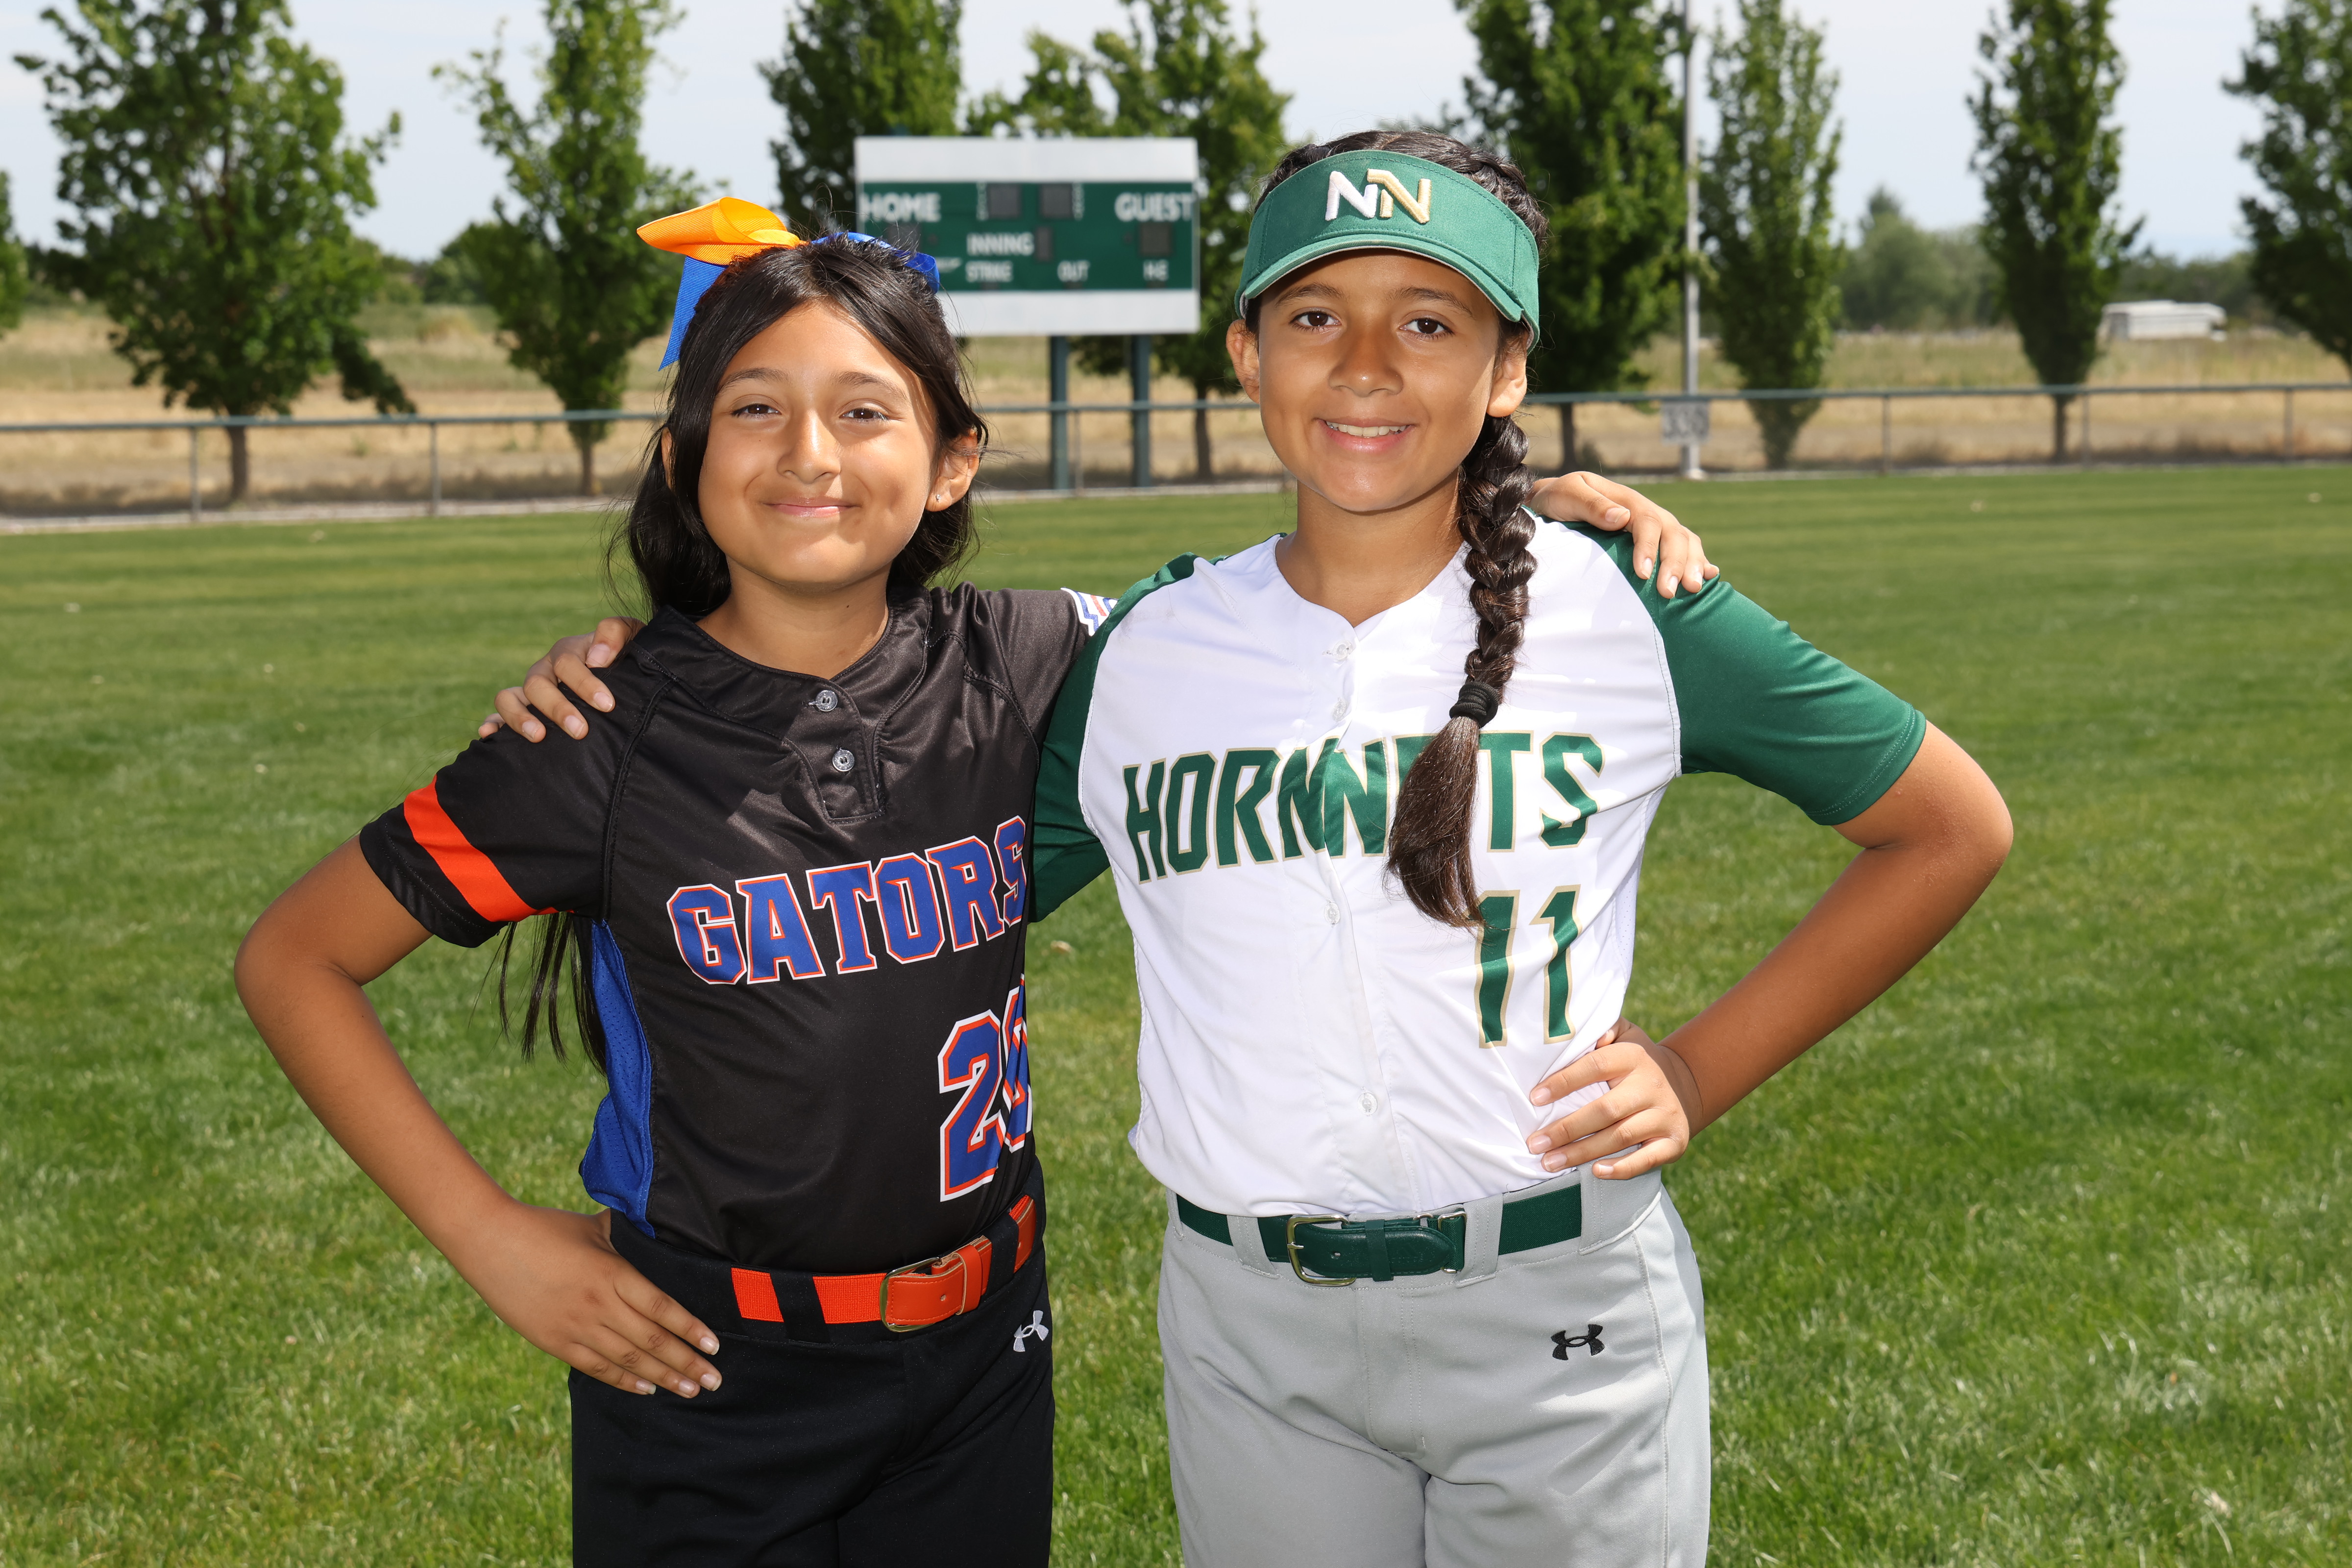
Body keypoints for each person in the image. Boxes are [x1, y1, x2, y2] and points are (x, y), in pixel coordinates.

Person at [237, 201, 1105, 1566]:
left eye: (865, 410)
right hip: (708, 1370)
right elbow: (295, 958)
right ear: (682, 456)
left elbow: (1269, 619)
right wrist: (491, 1238)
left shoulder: (1032, 660)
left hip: (986, 1353)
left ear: (953, 461)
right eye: (755, 407)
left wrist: (1460, 521)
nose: (809, 452)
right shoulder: (595, 735)